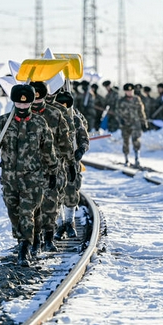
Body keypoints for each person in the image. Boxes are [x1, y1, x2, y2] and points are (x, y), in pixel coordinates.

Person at [0, 84, 58, 266]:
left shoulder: (39, 123)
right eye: (19, 103)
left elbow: (48, 149)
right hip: (9, 178)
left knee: (27, 212)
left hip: (33, 178)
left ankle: (25, 247)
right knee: (13, 211)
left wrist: (53, 170)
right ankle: (26, 239)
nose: (22, 107)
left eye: (26, 104)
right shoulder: (3, 122)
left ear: (31, 103)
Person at [29, 81, 76, 254]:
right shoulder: (21, 114)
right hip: (29, 167)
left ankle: (48, 237)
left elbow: (65, 141)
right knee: (31, 206)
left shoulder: (55, 113)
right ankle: (35, 240)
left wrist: (71, 162)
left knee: (51, 203)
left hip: (52, 166)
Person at [54, 91, 90, 240]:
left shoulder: (75, 119)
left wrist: (81, 150)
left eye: (65, 105)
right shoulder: (51, 118)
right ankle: (59, 224)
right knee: (54, 194)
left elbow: (84, 138)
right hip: (54, 162)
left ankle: (70, 222)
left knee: (71, 192)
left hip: (71, 162)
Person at [117, 83, 147, 166]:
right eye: (128, 91)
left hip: (135, 124)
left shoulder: (137, 99)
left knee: (136, 140)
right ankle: (126, 159)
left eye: (131, 91)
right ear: (125, 92)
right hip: (125, 125)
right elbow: (118, 113)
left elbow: (141, 112)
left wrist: (144, 122)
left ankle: (137, 158)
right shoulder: (121, 101)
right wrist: (120, 121)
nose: (129, 92)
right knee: (125, 141)